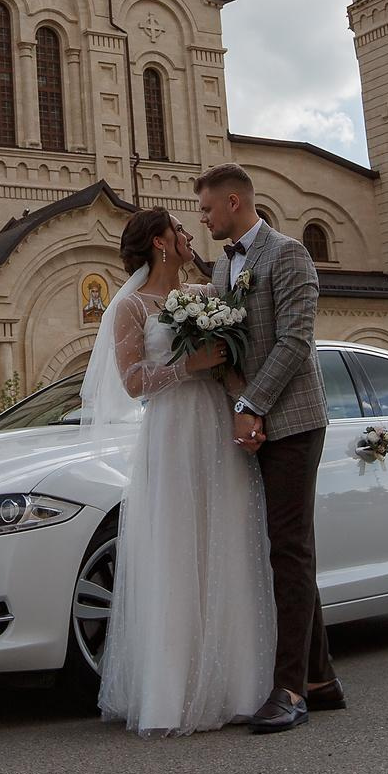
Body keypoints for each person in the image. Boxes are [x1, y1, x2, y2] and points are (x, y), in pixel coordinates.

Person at [90, 208, 276, 736]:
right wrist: (187, 366)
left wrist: (247, 410)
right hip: (171, 433)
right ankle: (174, 693)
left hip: (216, 425)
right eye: (178, 229)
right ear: (159, 241)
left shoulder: (206, 293)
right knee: (177, 548)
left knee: (226, 541)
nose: (188, 234)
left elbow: (230, 364)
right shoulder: (131, 306)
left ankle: (237, 686)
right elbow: (131, 381)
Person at [194, 162, 341, 734]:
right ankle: (321, 680)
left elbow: (296, 341)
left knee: (290, 549)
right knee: (287, 549)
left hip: (296, 422)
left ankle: (290, 691)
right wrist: (242, 405)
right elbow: (228, 345)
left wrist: (252, 405)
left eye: (208, 209)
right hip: (253, 420)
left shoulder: (288, 254)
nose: (204, 219)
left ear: (234, 202)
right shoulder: (222, 267)